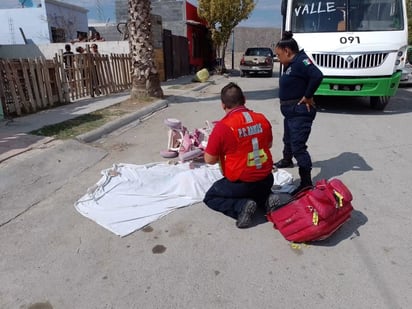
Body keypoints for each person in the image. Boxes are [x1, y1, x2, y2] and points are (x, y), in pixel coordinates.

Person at [203, 82, 280, 228]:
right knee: (257, 189)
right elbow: (268, 145)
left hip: (241, 184)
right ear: (244, 99)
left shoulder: (223, 127)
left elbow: (209, 159)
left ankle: (241, 206)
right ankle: (266, 199)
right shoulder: (261, 118)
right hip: (266, 179)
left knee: (211, 196)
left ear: (223, 105)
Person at [273, 31, 323, 195]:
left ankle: (306, 182)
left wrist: (308, 96)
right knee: (288, 138)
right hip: (290, 112)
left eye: (279, 55)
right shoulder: (291, 64)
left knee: (298, 147)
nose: (278, 59)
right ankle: (287, 160)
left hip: (300, 111)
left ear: (287, 51)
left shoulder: (302, 60)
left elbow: (317, 75)